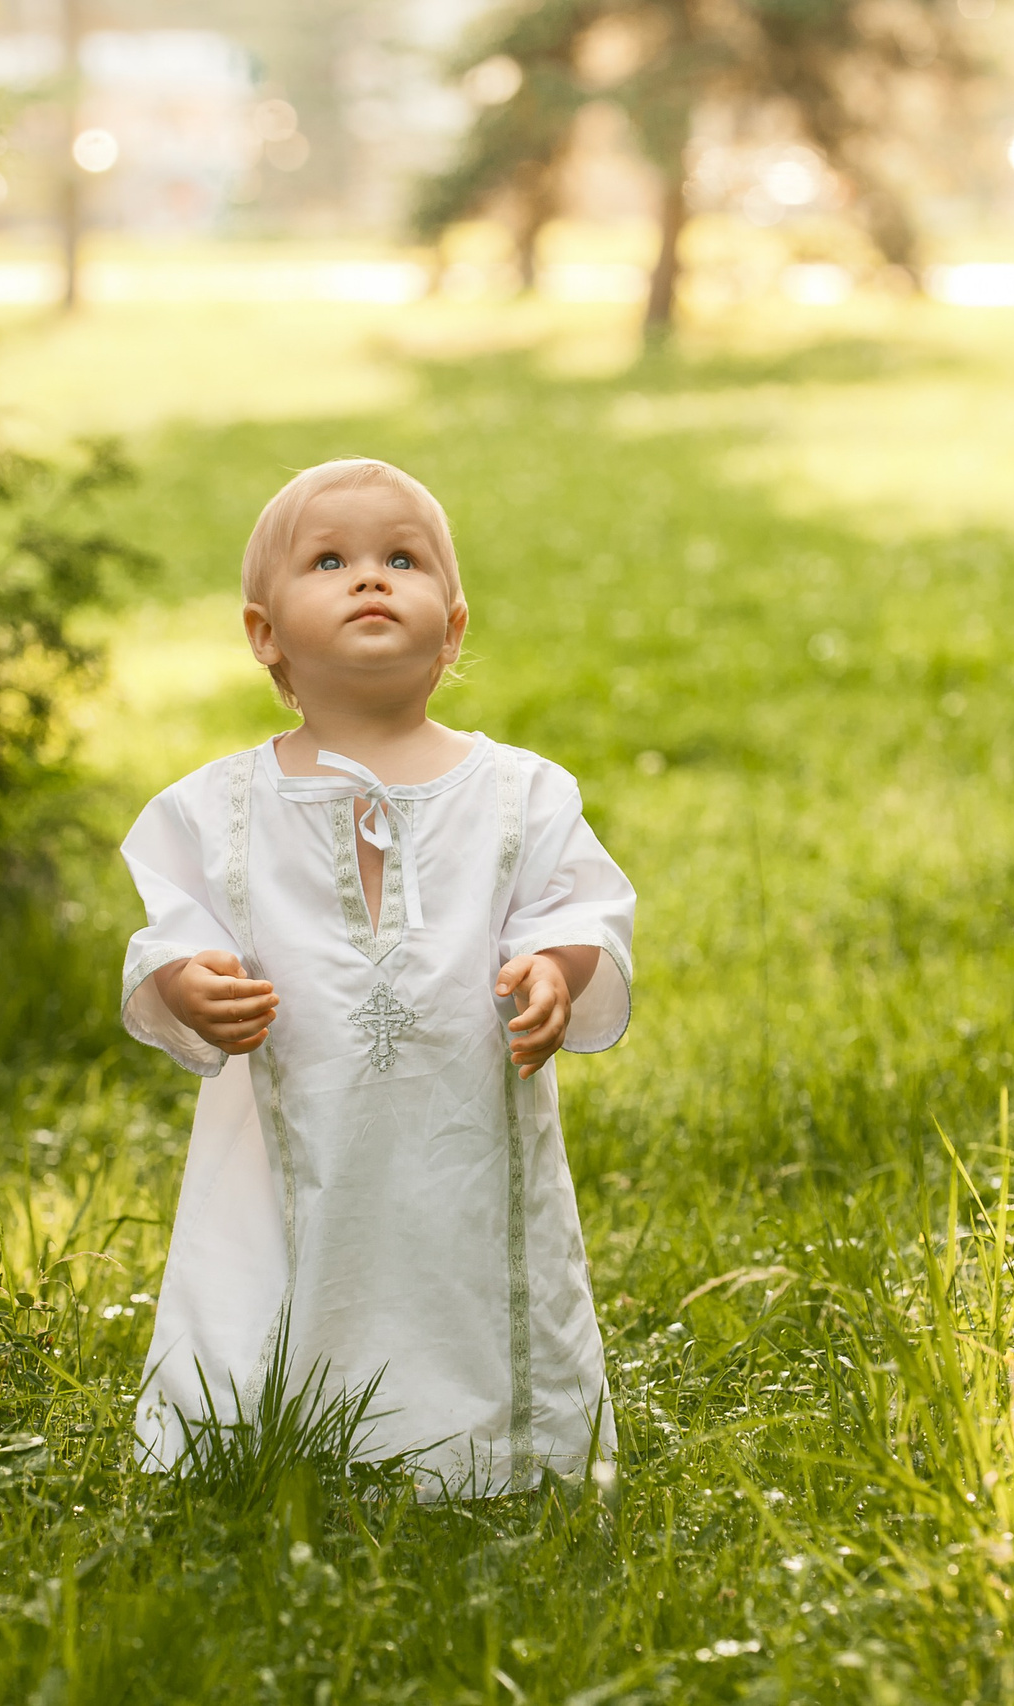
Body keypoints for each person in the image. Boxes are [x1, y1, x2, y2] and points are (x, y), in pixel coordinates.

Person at [116, 457, 636, 1498]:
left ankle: (490, 1450)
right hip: (282, 1135)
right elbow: (167, 931)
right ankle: (249, 1441)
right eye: (330, 559)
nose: (370, 578)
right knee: (264, 1274)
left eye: (402, 558)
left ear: (449, 629)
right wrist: (188, 982)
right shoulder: (211, 810)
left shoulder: (518, 792)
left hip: (462, 1136)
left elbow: (579, 906)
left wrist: (555, 969)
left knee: (468, 1267)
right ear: (266, 633)